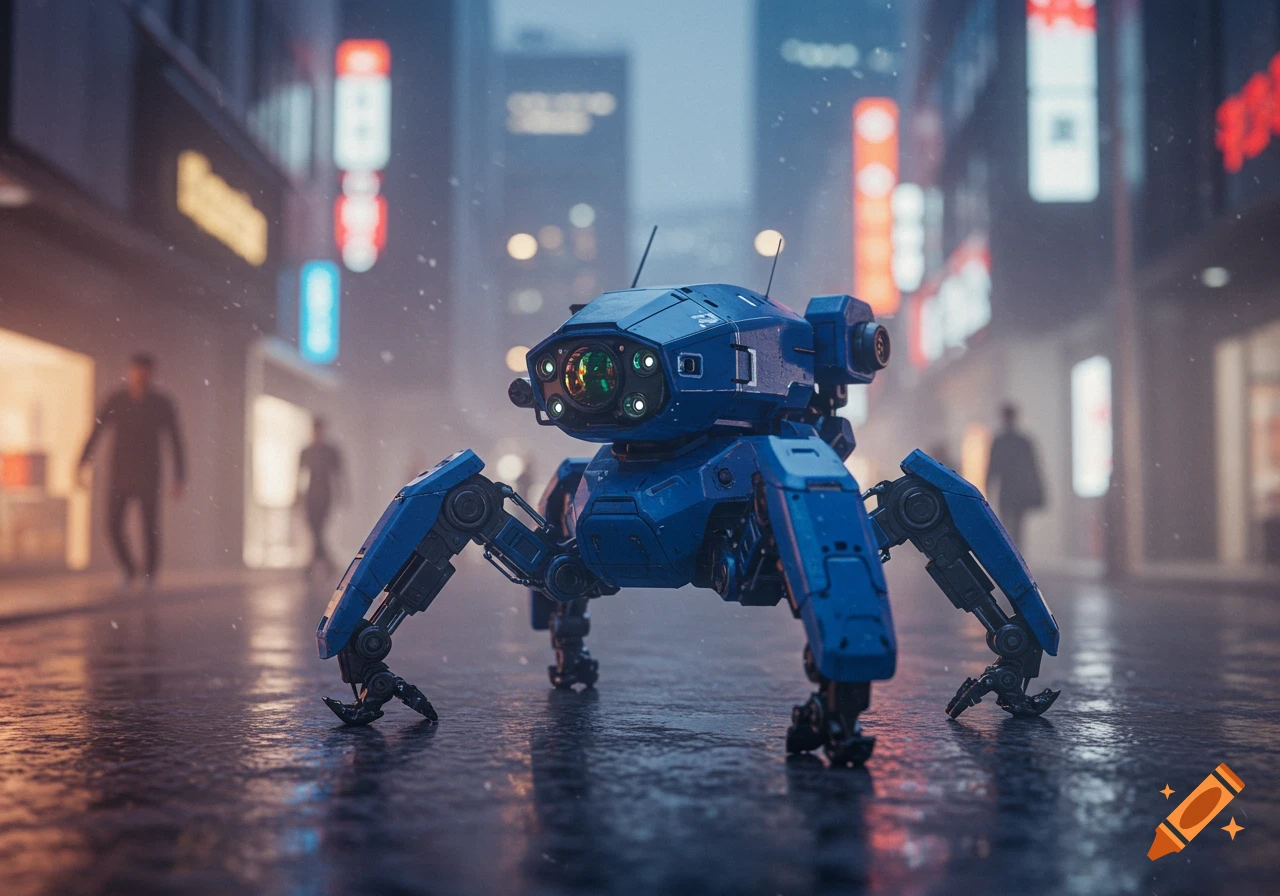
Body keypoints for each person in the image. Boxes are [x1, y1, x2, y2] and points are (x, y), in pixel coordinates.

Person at [78, 353, 185, 588]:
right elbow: (96, 431)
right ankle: (130, 569)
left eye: (144, 371)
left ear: (151, 373)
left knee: (150, 527)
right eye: (136, 370)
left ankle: (150, 575)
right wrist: (82, 462)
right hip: (119, 473)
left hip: (149, 474)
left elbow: (175, 440)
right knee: (112, 525)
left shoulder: (161, 403)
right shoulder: (117, 400)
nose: (140, 375)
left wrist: (179, 477)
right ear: (130, 371)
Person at [985, 403, 1045, 548]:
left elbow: (992, 468)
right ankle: (1017, 553)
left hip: (1009, 490)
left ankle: (1011, 552)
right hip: (1017, 490)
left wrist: (988, 488)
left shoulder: (1000, 441)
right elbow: (1033, 467)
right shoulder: (1022, 441)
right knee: (1016, 526)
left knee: (1008, 525)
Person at [298, 417, 345, 573]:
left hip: (325, 495)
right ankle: (326, 563)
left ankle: (315, 564)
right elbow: (299, 476)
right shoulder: (307, 451)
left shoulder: (329, 452)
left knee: (318, 529)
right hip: (312, 494)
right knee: (315, 529)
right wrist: (297, 497)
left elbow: (339, 475)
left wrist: (341, 495)